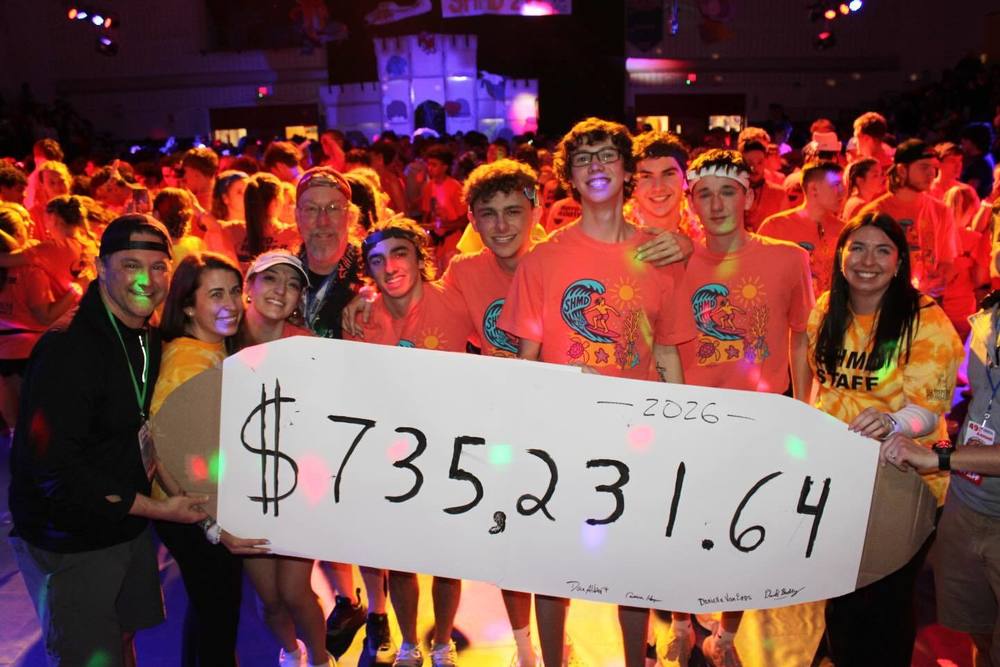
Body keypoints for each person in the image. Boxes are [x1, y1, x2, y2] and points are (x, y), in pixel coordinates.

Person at [499, 117, 695, 667]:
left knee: (631, 567)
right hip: (562, 438)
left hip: (636, 437)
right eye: (584, 159)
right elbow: (528, 359)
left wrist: (680, 430)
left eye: (607, 155)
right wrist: (522, 438)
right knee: (552, 562)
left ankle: (637, 660)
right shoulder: (543, 260)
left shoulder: (659, 254)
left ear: (626, 170)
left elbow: (667, 351)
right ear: (570, 177)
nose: (596, 167)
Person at [8, 214, 209, 666]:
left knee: (122, 640)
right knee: (90, 656)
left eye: (159, 266)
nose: (148, 279)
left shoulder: (148, 337)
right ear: (100, 268)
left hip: (125, 522)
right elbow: (54, 474)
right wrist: (161, 509)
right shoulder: (67, 350)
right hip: (70, 539)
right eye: (131, 264)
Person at [678, 149, 816, 666]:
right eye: (705, 194)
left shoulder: (787, 258)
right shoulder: (676, 258)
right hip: (690, 420)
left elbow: (800, 339)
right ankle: (686, 621)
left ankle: (728, 636)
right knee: (689, 529)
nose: (716, 205)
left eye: (728, 192)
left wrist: (805, 413)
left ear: (750, 197)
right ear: (691, 201)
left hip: (760, 419)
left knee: (742, 531)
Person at [808, 211, 963, 666]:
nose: (867, 261)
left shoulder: (924, 319)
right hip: (838, 475)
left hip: (902, 478)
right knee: (837, 590)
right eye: (857, 248)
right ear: (840, 257)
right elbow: (826, 384)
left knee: (885, 598)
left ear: (899, 263)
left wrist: (892, 422)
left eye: (882, 250)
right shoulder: (826, 308)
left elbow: (929, 408)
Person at [344, 217, 469, 667]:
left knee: (447, 558)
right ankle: (409, 642)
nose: (390, 267)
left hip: (451, 449)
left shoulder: (454, 302)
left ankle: (442, 643)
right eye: (377, 261)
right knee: (399, 557)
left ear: (420, 259)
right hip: (391, 454)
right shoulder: (362, 316)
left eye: (400, 254)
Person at [879, 290, 1000, 666]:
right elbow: (969, 393)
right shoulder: (989, 315)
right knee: (977, 631)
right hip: (965, 504)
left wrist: (938, 457)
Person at [231, 250, 338, 667]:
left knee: (295, 590)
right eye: (270, 279)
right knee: (270, 597)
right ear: (249, 286)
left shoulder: (306, 345)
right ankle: (291, 654)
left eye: (292, 284)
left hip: (298, 486)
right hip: (244, 489)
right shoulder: (223, 339)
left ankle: (319, 657)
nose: (281, 290)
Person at [149, 251, 250, 667]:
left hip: (205, 503)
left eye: (234, 291)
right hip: (192, 510)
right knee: (218, 618)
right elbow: (156, 445)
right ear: (188, 305)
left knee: (210, 611)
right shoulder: (188, 360)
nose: (230, 303)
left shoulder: (211, 348)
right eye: (215, 295)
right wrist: (211, 525)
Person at [860, 139, 958, 301]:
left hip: (927, 301)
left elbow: (947, 260)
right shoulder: (875, 212)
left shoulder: (941, 210)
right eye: (923, 167)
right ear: (902, 170)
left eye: (933, 168)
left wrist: (939, 280)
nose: (931, 173)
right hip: (885, 301)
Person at [295, 167, 364, 339]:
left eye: (333, 208)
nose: (322, 221)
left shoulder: (375, 275)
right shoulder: (283, 275)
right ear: (297, 217)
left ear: (351, 216)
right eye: (311, 209)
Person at [759, 161, 846, 296]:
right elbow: (759, 278)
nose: (843, 191)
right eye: (836, 185)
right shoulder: (776, 227)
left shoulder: (844, 230)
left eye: (843, 185)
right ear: (813, 189)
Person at [420, 144, 467, 272]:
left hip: (452, 241)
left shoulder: (455, 187)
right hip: (435, 243)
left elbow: (464, 220)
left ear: (445, 167)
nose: (429, 168)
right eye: (428, 164)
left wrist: (444, 225)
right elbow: (426, 213)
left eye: (434, 165)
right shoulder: (428, 187)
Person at [738, 131, 787, 232]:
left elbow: (785, 230)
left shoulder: (779, 194)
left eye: (759, 162)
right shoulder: (732, 193)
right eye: (749, 163)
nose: (754, 167)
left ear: (765, 161)